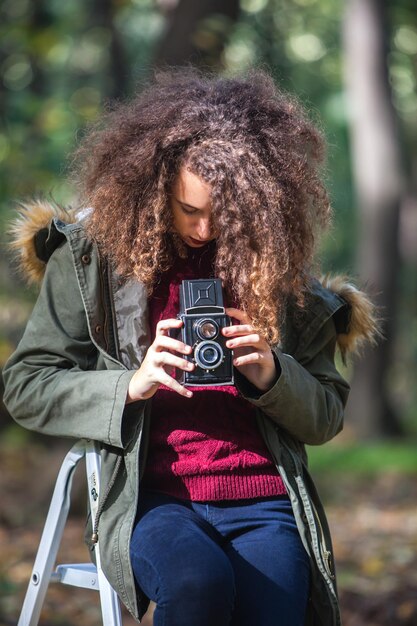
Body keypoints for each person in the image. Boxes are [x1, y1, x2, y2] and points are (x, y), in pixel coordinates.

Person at [3, 69, 378, 626]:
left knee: (276, 605)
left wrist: (274, 375)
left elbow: (325, 417)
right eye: (189, 209)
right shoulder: (90, 262)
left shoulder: (284, 280)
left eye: (222, 213)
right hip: (151, 496)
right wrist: (129, 385)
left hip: (261, 496)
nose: (205, 229)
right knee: (198, 584)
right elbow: (26, 386)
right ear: (155, 188)